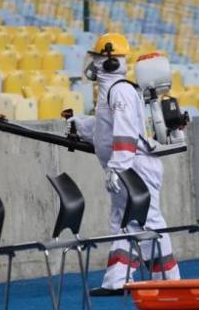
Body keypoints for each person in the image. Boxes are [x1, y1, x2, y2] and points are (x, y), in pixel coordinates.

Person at [66, 33, 181, 296]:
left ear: (108, 61)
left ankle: (170, 281)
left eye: (96, 58)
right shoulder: (112, 91)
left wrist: (118, 166)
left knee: (149, 221)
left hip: (134, 167)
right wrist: (79, 126)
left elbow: (126, 133)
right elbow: (106, 128)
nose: (92, 63)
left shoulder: (120, 91)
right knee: (122, 222)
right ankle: (118, 281)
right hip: (128, 167)